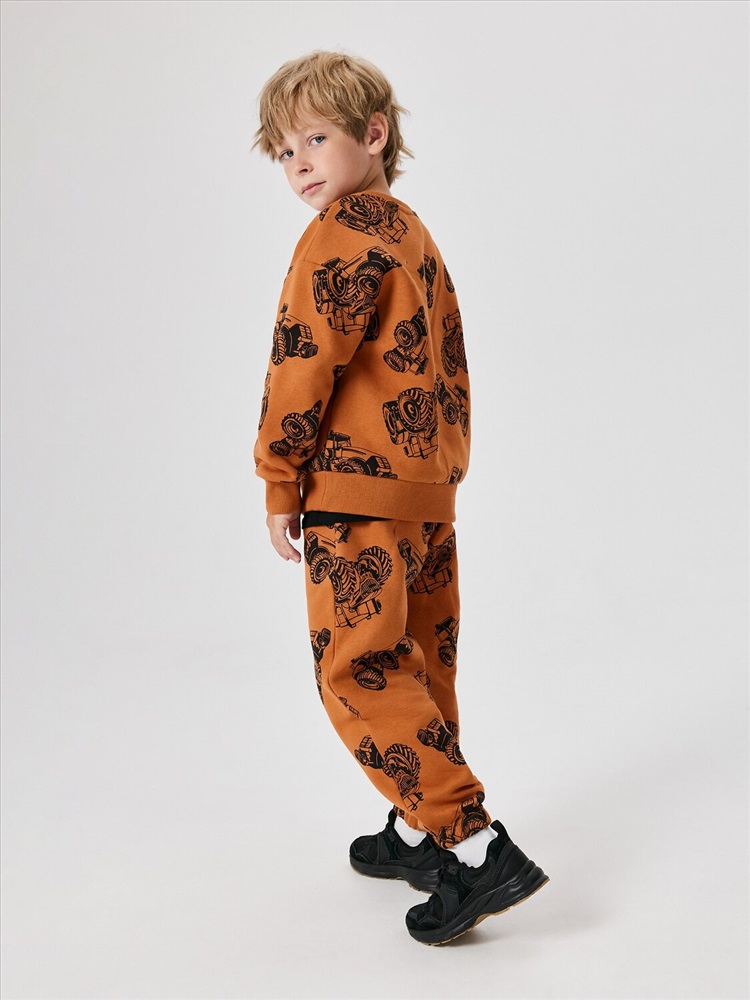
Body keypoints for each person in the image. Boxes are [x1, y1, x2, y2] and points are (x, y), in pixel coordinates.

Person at [251, 50, 548, 945]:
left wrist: (279, 473)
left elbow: (303, 358)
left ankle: (475, 843)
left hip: (356, 494)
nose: (298, 163)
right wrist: (442, 472)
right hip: (425, 493)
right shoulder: (412, 234)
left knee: (360, 669)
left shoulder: (338, 234)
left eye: (314, 139)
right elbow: (447, 358)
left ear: (372, 134)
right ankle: (420, 829)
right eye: (283, 150)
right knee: (420, 663)